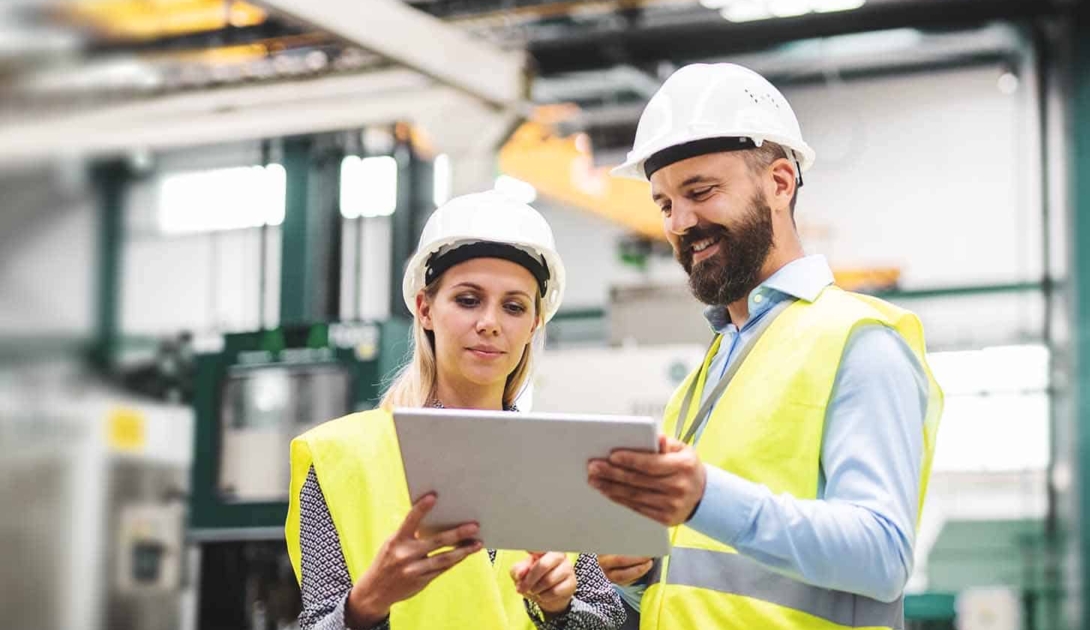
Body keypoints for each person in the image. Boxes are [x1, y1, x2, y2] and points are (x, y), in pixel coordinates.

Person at [586, 63, 944, 630]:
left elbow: (883, 555)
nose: (680, 223)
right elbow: (716, 584)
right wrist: (644, 576)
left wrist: (705, 498)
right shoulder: (703, 378)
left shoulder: (860, 343)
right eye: (663, 205)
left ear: (779, 183)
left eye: (700, 192)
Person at [285, 191, 626, 630]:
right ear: (425, 309)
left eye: (514, 306)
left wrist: (559, 608)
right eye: (468, 300)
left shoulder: (564, 462)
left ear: (534, 324)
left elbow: (606, 621)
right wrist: (368, 603)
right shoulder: (340, 457)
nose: (490, 322)